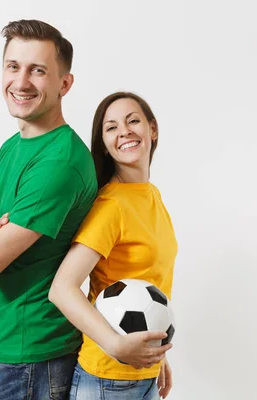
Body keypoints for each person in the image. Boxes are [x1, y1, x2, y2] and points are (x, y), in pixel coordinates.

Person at [0, 20, 97, 399]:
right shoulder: (11, 147)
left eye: (38, 70)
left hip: (36, 355)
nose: (21, 82)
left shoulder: (59, 161)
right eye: (13, 66)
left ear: (64, 84)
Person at [48, 92, 178, 399]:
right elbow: (62, 288)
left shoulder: (151, 195)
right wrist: (117, 345)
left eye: (133, 120)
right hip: (107, 380)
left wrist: (157, 353)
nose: (124, 131)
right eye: (111, 127)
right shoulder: (111, 206)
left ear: (152, 129)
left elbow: (147, 287)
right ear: (105, 146)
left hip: (141, 374)